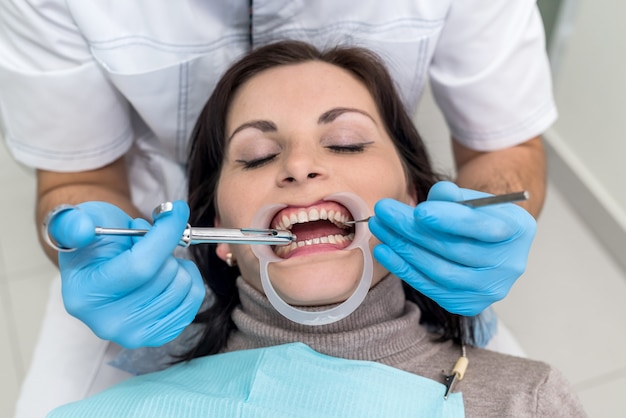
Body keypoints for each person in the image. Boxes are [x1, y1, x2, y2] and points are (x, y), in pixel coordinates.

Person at [0, 2, 554, 415]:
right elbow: (77, 174)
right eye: (258, 155)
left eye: (346, 142)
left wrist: (486, 224)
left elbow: (503, 144)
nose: (300, 165)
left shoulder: (525, 400)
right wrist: (82, 239)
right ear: (219, 233)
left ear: (414, 198)